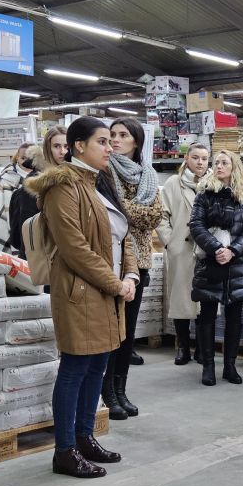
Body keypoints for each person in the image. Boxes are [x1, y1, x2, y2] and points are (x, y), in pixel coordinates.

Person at [25, 117, 138, 478]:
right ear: (79, 146)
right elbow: (75, 249)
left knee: (97, 366)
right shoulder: (63, 187)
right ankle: (65, 450)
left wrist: (131, 274)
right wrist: (115, 283)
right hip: (80, 291)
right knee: (75, 369)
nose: (110, 147)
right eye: (102, 141)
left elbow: (123, 236)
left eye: (111, 141)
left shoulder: (100, 182)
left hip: (107, 291)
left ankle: (85, 437)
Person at [100, 117, 162, 421]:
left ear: (136, 141)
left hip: (141, 263)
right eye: (112, 134)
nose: (115, 140)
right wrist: (135, 212)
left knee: (128, 333)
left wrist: (128, 210)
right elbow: (115, 213)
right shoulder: (104, 172)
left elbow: (156, 215)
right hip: (113, 261)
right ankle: (106, 393)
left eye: (123, 135)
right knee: (112, 332)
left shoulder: (148, 173)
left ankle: (121, 390)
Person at [190, 150, 243, 387]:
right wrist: (217, 249)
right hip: (211, 262)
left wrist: (233, 251)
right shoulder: (204, 194)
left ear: (234, 167)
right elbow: (196, 225)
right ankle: (208, 366)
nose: (218, 166)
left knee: (234, 317)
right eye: (216, 162)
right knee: (207, 314)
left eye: (224, 162)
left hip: (238, 264)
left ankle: (230, 365)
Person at [158, 145, 210, 366]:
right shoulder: (173, 183)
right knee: (181, 300)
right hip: (181, 249)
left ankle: (202, 347)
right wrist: (170, 242)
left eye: (204, 158)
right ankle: (183, 347)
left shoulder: (214, 184)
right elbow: (161, 215)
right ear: (186, 159)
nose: (200, 162)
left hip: (207, 250)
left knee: (205, 301)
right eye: (195, 158)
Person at [11, 126, 68, 259]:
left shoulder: (74, 177)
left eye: (66, 146)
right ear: (47, 148)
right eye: (56, 146)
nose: (63, 151)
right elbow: (27, 230)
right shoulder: (37, 182)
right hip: (42, 257)